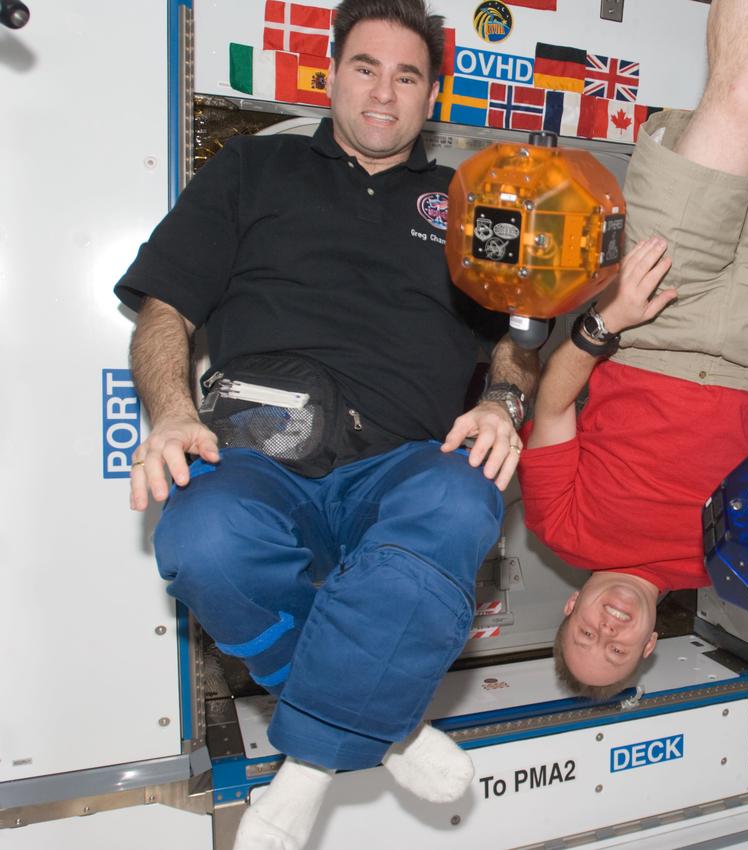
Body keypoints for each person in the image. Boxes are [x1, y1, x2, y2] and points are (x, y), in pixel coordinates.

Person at [114, 2, 538, 848]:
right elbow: (163, 312)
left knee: (461, 506)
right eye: (366, 68)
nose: (384, 92)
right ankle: (386, 721)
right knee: (201, 541)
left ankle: (306, 760)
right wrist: (169, 414)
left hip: (409, 462)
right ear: (332, 74)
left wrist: (502, 401)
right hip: (258, 457)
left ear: (434, 96)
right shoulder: (249, 170)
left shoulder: (472, 203)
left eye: (407, 76)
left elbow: (520, 334)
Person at [516, 0, 748, 698]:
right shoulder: (728, 567)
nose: (610, 628)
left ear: (569, 610)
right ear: (651, 647)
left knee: (746, 91)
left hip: (654, 318)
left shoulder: (557, 529)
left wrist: (609, 318)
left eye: (587, 635)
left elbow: (556, 400)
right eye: (620, 649)